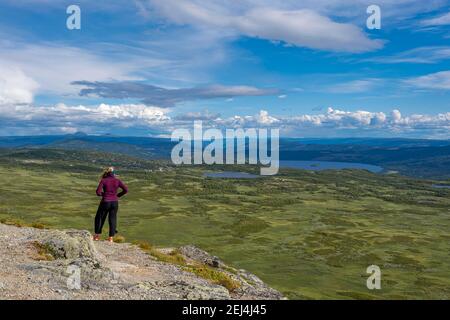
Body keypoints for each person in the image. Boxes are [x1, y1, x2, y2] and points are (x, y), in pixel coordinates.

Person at [94, 167, 128, 242]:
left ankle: (96, 236)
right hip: (114, 202)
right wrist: (117, 195)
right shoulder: (117, 180)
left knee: (99, 218)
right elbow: (126, 190)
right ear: (114, 173)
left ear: (106, 173)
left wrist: (104, 194)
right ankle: (111, 238)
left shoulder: (104, 180)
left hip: (105, 202)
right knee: (112, 219)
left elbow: (98, 192)